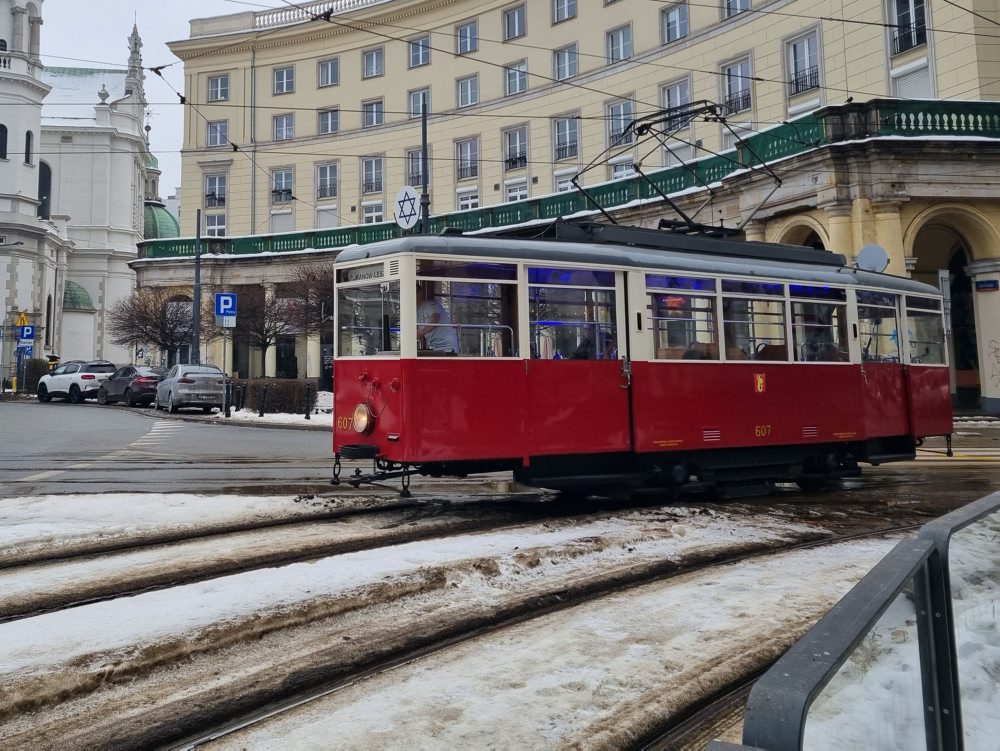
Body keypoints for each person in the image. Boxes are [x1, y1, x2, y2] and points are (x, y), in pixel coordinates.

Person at [416, 284, 459, 354]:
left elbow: (436, 319)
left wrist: (422, 332)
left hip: (447, 347)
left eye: (414, 292)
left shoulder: (431, 304)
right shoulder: (415, 311)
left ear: (420, 293)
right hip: (434, 346)